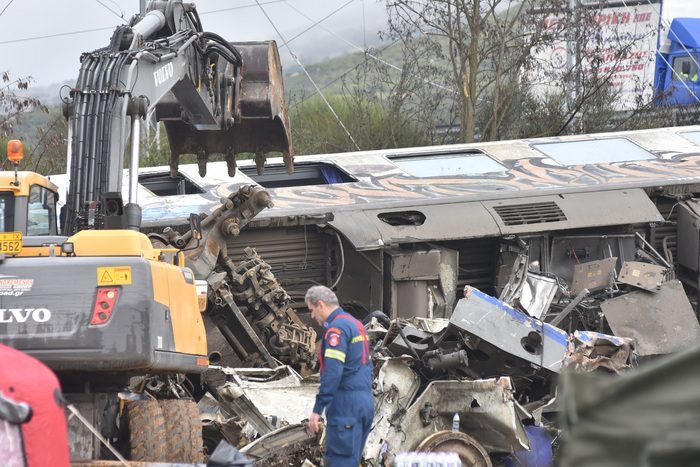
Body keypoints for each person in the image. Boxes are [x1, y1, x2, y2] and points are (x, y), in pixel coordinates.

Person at [306, 285, 374, 467]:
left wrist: (317, 410)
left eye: (312, 311)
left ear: (320, 305)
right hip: (364, 404)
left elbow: (333, 372)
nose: (312, 316)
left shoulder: (336, 330)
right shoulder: (356, 324)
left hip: (346, 408)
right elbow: (368, 365)